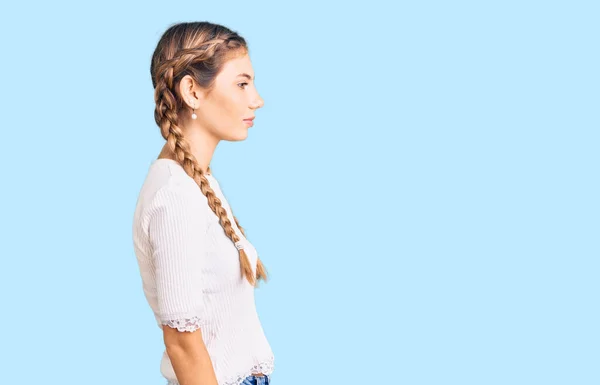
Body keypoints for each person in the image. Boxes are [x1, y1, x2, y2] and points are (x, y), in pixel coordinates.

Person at [131, 21, 274, 385]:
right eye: (242, 83)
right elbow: (182, 344)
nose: (256, 99)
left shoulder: (197, 181)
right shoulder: (174, 194)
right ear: (192, 91)